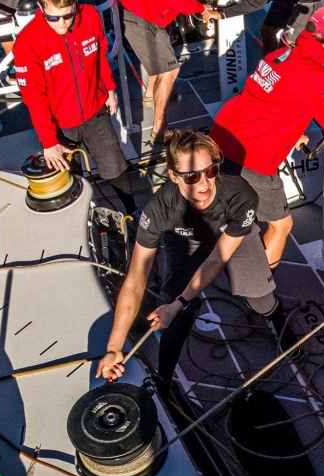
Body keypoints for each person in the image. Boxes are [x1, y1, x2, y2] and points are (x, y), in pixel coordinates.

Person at [96, 129, 298, 387]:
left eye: (210, 171)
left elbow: (216, 259)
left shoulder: (241, 196)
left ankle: (279, 322)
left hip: (231, 236)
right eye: (191, 176)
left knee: (260, 296)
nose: (203, 184)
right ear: (173, 176)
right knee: (172, 315)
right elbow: (136, 281)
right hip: (185, 239)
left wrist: (179, 302)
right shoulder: (159, 210)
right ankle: (165, 380)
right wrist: (115, 347)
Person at [210, 7, 324, 270]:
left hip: (222, 135)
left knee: (233, 211)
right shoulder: (315, 77)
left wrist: (293, 134)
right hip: (252, 156)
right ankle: (261, 284)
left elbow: (273, 97)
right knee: (281, 225)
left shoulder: (281, 52)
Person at [12, 0, 136, 215]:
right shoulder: (27, 44)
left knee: (115, 164)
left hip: (95, 111)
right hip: (60, 127)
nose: (62, 23)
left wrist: (109, 89)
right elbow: (34, 99)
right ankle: (86, 218)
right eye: (53, 18)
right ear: (40, 8)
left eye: (68, 15)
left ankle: (132, 211)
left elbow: (100, 55)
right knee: (71, 179)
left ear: (76, 4)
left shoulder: (90, 16)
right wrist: (49, 143)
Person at [118, 0, 250, 143]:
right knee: (170, 70)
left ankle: (150, 97)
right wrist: (202, 8)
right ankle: (159, 130)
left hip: (150, 12)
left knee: (159, 61)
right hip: (139, 15)